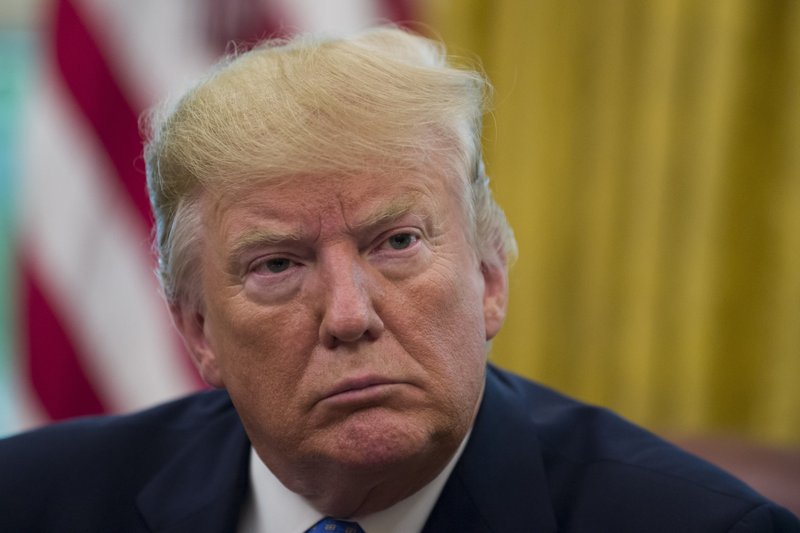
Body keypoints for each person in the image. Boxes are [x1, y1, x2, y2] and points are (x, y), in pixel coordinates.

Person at [1, 26, 798, 533]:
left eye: (398, 242)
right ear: (199, 329)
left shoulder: (697, 524)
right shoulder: (33, 501)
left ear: (489, 277)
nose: (349, 316)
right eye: (278, 264)